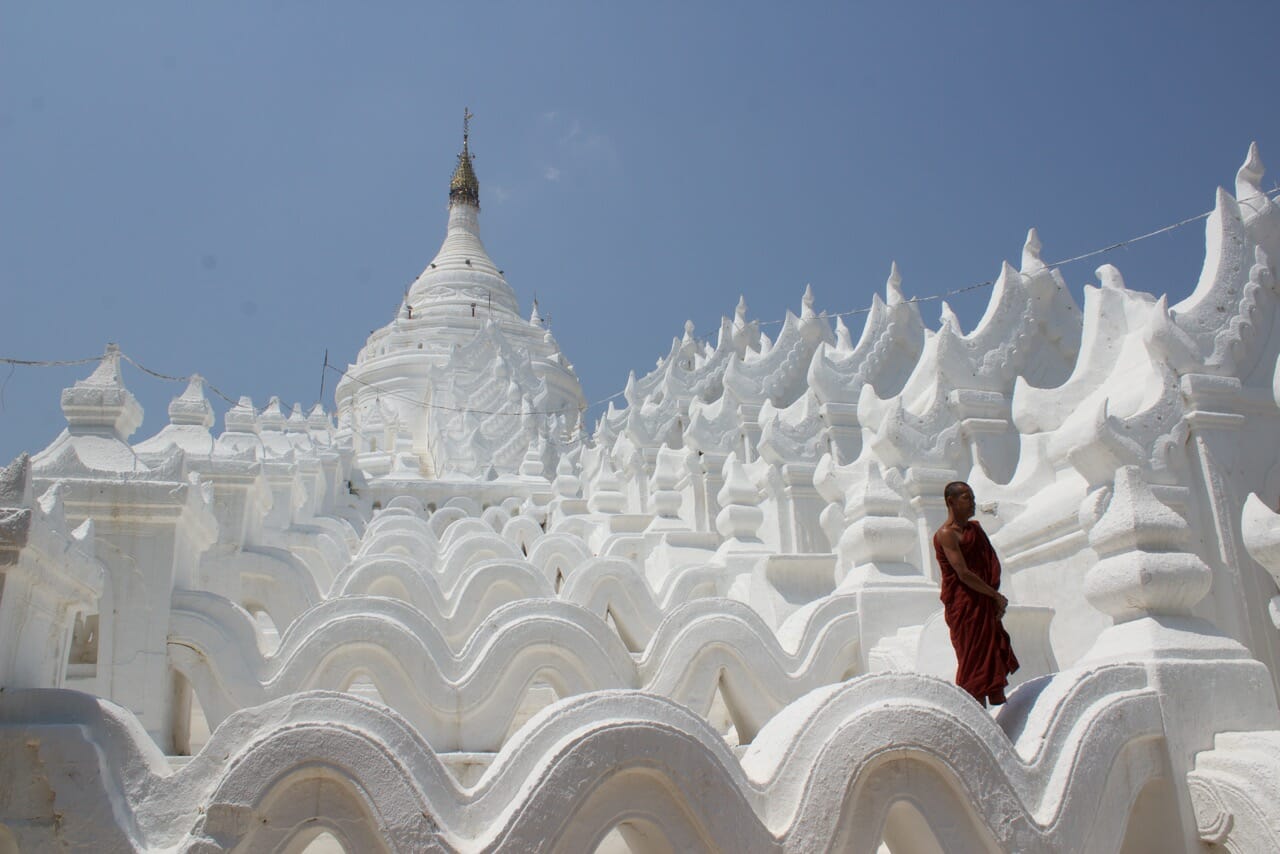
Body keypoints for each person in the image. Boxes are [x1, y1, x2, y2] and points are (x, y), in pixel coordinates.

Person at [933, 481, 1019, 706]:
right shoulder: (946, 535)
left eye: (972, 497)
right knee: (973, 666)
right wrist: (995, 596)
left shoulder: (975, 530)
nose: (972, 502)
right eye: (966, 497)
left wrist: (992, 598)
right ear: (951, 501)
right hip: (965, 607)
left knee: (989, 664)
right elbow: (963, 573)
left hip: (982, 603)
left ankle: (995, 719)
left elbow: (987, 563)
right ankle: (977, 718)